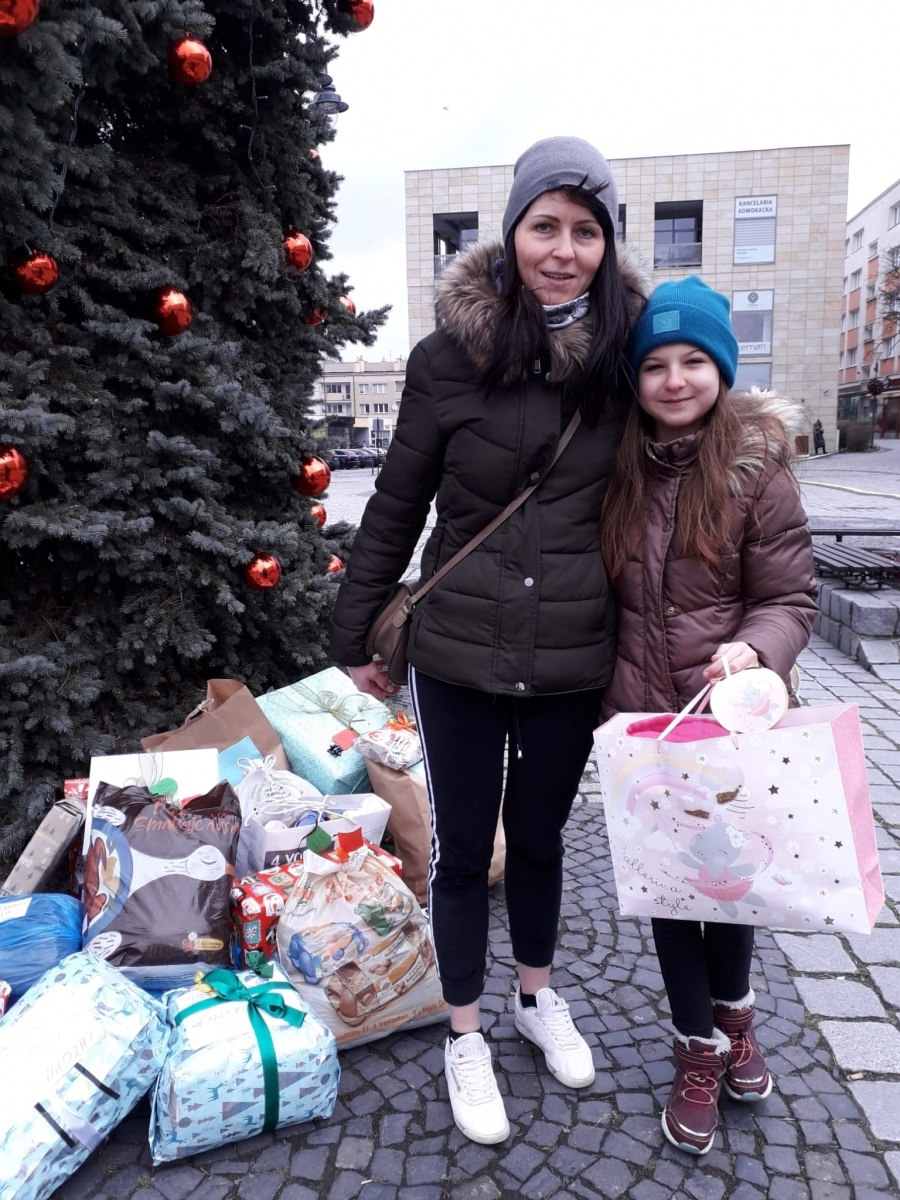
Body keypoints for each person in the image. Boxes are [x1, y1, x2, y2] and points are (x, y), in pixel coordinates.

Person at [330, 137, 649, 1144]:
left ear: (608, 243)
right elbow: (395, 503)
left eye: (584, 230)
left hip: (571, 654)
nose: (563, 249)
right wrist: (356, 631)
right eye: (543, 226)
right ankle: (464, 1031)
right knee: (465, 851)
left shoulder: (628, 355)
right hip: (462, 651)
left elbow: (691, 462)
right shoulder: (445, 359)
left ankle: (535, 997)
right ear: (512, 236)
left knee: (546, 841)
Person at [599, 277, 817, 1157]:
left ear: (722, 370)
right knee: (665, 890)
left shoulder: (755, 471)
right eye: (656, 363)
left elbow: (791, 594)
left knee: (727, 886)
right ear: (637, 377)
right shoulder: (615, 467)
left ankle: (736, 1019)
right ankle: (697, 1047)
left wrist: (757, 648)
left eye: (695, 360)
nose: (676, 379)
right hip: (642, 724)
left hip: (728, 722)